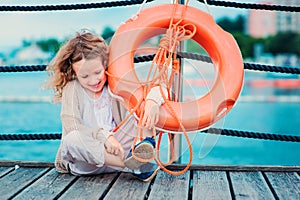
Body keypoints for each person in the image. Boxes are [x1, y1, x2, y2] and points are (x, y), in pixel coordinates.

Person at [45, 30, 165, 182]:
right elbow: (72, 126)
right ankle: (137, 166)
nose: (93, 80)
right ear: (74, 73)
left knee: (152, 108)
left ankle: (137, 160)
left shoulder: (116, 82)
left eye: (97, 72)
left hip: (118, 152)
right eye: (85, 76)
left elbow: (160, 86)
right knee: (72, 139)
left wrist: (153, 101)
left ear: (105, 65)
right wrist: (104, 136)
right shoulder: (73, 88)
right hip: (88, 162)